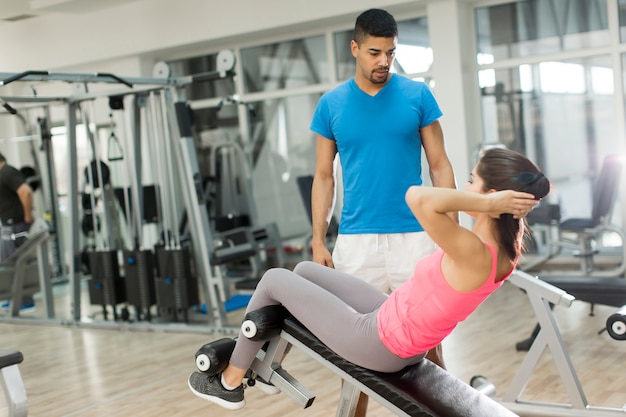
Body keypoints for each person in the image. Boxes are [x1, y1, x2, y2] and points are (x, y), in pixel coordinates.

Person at [188, 148, 551, 410]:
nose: (466, 187)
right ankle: (263, 366)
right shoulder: (503, 250)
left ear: (494, 197)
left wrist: (488, 204)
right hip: (393, 318)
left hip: (381, 343)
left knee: (273, 279)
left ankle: (230, 383)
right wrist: (490, 204)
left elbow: (417, 197)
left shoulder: (475, 250)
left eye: (472, 181)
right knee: (304, 272)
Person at [309, 10, 454, 412]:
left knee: (429, 345)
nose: (383, 62)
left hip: (415, 236)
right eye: (374, 52)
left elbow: (440, 163)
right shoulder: (331, 104)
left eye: (390, 52)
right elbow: (323, 177)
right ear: (355, 48)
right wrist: (318, 238)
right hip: (356, 241)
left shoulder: (417, 95)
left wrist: (452, 233)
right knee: (354, 354)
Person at [0, 152, 35, 309]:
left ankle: (25, 300)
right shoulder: (4, 174)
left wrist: (27, 216)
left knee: (18, 262)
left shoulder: (8, 172)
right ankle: (15, 298)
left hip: (17, 225)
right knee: (9, 262)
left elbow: (26, 191)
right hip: (9, 225)